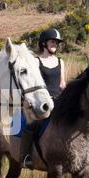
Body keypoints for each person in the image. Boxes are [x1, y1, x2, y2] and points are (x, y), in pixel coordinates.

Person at [19, 28, 66, 169]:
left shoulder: (60, 62)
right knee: (32, 124)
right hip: (41, 102)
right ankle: (26, 157)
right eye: (52, 41)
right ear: (44, 43)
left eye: (56, 43)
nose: (55, 44)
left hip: (58, 102)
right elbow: (31, 82)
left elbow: (62, 83)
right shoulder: (36, 61)